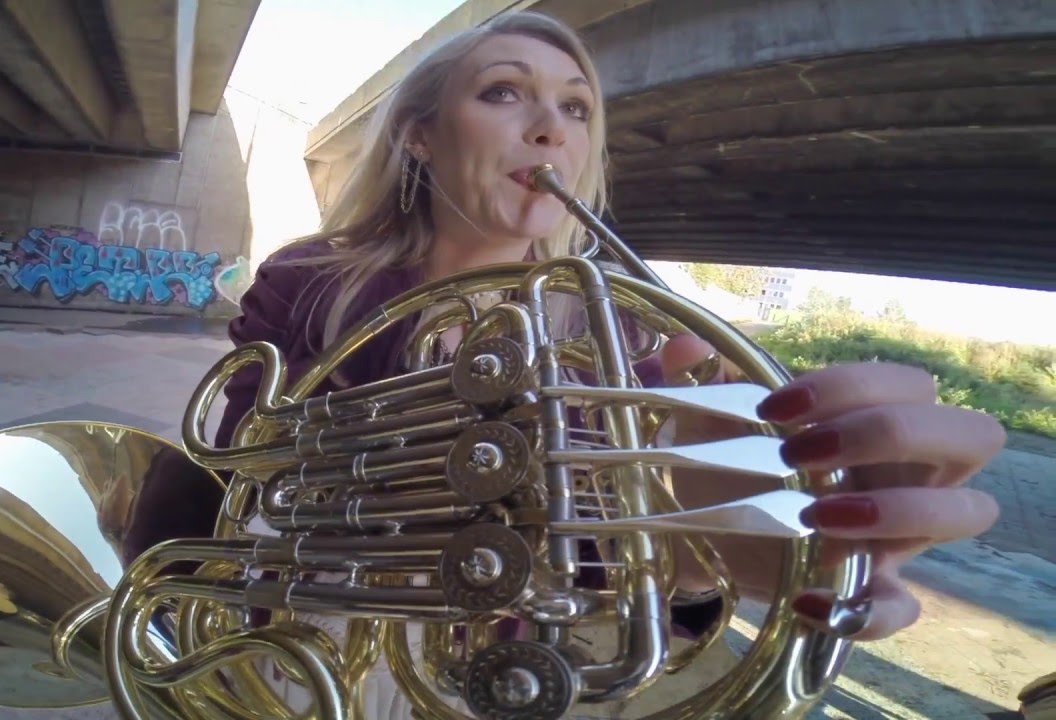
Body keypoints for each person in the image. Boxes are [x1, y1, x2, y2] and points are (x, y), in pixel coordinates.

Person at [193, 9, 1003, 715]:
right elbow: (239, 483)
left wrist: (699, 543)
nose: (552, 128)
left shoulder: (629, 336)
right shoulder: (309, 280)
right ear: (420, 136)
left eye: (576, 107)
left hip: (488, 676)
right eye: (503, 92)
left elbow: (603, 568)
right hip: (294, 651)